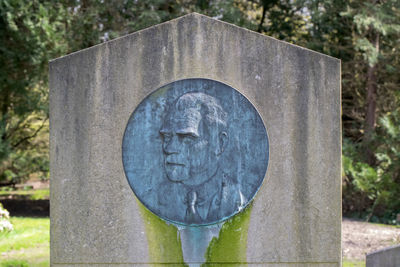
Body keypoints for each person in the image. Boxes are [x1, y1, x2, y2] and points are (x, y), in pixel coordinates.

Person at [157, 92, 246, 225]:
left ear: (219, 143)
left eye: (186, 138)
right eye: (167, 137)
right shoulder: (154, 197)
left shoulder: (236, 199)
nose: (169, 148)